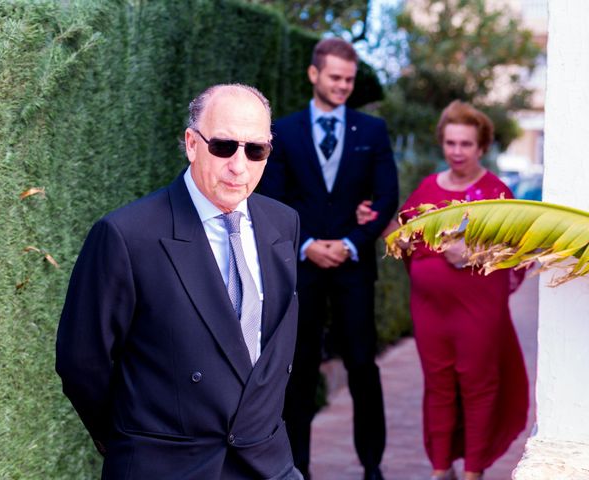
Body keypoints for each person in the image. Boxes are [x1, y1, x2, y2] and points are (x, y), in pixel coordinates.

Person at [56, 84, 304, 480]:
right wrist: (132, 439)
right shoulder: (125, 234)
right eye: (224, 146)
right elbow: (81, 363)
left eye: (255, 150)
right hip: (165, 466)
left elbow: (269, 351)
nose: (239, 166)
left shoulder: (283, 223)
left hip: (267, 463)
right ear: (192, 143)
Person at [358, 100, 528, 480]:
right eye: (450, 143)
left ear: (482, 147)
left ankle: (473, 470)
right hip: (430, 309)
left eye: (465, 144)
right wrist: (378, 223)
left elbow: (519, 249)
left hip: (479, 307)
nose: (456, 152)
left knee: (477, 385)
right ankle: (440, 468)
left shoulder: (496, 192)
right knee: (437, 386)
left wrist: (472, 253)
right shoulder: (427, 188)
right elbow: (403, 240)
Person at [259, 37, 399, 480]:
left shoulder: (371, 131)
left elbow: (386, 196)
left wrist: (352, 242)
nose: (343, 86)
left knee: (362, 366)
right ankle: (297, 466)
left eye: (350, 79)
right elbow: (273, 197)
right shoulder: (285, 131)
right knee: (298, 370)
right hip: (301, 269)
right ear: (314, 74)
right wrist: (307, 245)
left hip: (354, 268)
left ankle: (372, 465)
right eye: (336, 77)